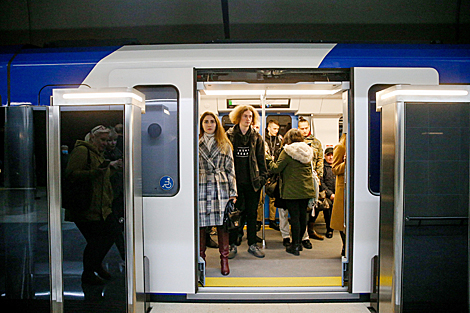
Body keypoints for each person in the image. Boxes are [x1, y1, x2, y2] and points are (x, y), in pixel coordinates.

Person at [64, 125, 122, 285]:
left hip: (101, 207)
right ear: (92, 138)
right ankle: (89, 272)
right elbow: (71, 175)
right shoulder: (83, 151)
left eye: (107, 140)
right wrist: (100, 170)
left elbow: (102, 177)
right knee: (98, 241)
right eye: (102, 140)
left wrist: (112, 169)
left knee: (109, 236)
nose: (105, 143)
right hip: (86, 207)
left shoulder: (97, 153)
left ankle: (95, 266)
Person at [226, 105, 268, 258]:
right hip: (234, 184)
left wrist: (263, 178)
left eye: (250, 116)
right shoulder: (229, 136)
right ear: (238, 118)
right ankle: (232, 245)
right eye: (245, 116)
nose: (248, 119)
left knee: (251, 214)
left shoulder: (256, 137)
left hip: (252, 183)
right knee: (234, 215)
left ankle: (252, 244)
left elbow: (262, 160)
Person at [199, 111, 237, 275]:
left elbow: (231, 169)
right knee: (200, 226)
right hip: (200, 185)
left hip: (220, 187)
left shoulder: (225, 144)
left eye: (212, 122)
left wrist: (233, 192)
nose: (209, 125)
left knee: (223, 226)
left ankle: (224, 260)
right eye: (206, 121)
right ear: (201, 124)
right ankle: (200, 260)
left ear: (217, 124)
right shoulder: (195, 143)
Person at [267, 129, 316, 256]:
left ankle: (295, 246)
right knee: (302, 218)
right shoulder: (308, 151)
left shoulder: (287, 151)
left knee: (294, 218)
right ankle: (299, 243)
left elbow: (276, 168)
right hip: (306, 189)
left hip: (292, 191)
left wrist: (267, 159)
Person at [298, 117, 324, 242]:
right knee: (301, 207)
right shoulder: (296, 142)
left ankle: (311, 229)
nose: (304, 130)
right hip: (300, 179)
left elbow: (320, 160)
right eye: (302, 128)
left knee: (314, 204)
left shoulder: (316, 142)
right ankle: (302, 233)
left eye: (306, 128)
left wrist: (318, 175)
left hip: (313, 177)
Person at [104, 127, 125, 261]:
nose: (112, 143)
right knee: (115, 230)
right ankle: (124, 255)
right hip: (108, 196)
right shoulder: (101, 154)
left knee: (117, 229)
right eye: (109, 140)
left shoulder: (118, 153)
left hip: (118, 194)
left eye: (115, 140)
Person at [264, 120, 283, 231]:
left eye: (277, 129)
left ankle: (272, 220)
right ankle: (258, 220)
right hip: (264, 170)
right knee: (260, 199)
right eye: (274, 128)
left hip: (274, 171)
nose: (276, 131)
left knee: (272, 197)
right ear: (268, 128)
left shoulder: (279, 140)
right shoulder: (263, 140)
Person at [331, 134, 347, 256]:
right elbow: (335, 169)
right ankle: (345, 246)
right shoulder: (340, 147)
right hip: (343, 188)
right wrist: (346, 163)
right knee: (342, 221)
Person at [315, 147, 335, 238]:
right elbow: (321, 182)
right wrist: (330, 194)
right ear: (325, 156)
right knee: (328, 205)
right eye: (328, 155)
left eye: (332, 155)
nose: (331, 157)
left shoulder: (338, 165)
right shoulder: (322, 167)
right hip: (326, 194)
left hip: (339, 193)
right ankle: (329, 229)